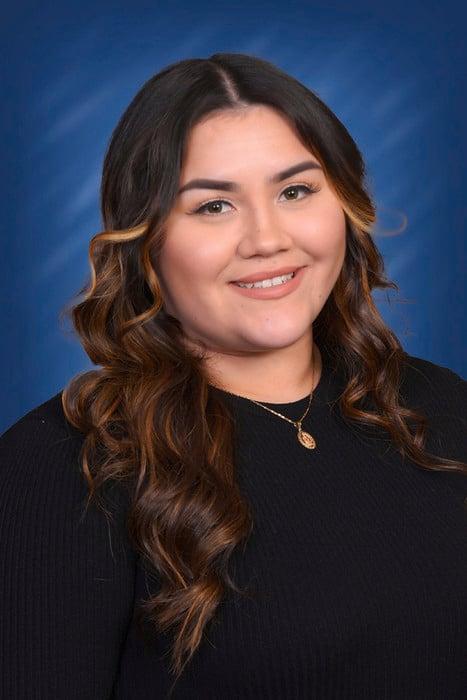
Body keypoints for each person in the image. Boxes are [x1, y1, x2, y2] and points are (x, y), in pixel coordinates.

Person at [1, 52, 466, 700]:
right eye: (214, 205)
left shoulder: (440, 407)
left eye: (295, 190)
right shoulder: (60, 467)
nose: (266, 238)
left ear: (345, 204)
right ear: (146, 242)